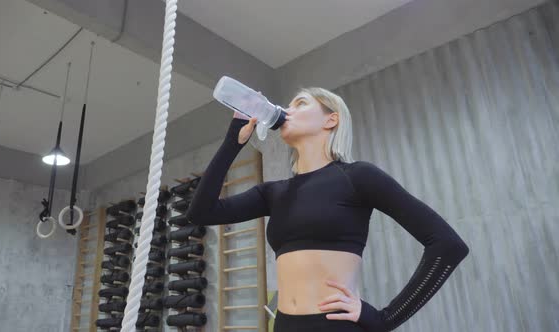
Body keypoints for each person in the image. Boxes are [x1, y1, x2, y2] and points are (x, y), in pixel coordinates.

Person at [186, 87, 470, 332]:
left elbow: (447, 244)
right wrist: (232, 142)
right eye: (288, 105)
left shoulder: (358, 177)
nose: (287, 110)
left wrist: (383, 319)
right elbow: (201, 213)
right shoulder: (273, 192)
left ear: (331, 119)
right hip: (283, 325)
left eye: (300, 103)